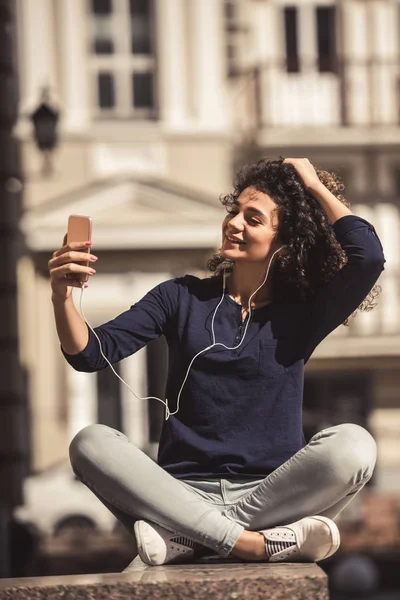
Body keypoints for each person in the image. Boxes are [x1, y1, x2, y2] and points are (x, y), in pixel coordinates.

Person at [48, 157, 385, 567]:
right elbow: (89, 354)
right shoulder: (180, 297)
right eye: (233, 211)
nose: (234, 223)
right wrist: (62, 296)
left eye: (253, 218)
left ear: (286, 241)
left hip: (271, 493)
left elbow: (367, 256)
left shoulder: (304, 312)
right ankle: (252, 544)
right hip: (179, 493)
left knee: (356, 444)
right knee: (90, 443)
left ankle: (192, 538)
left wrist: (314, 186)